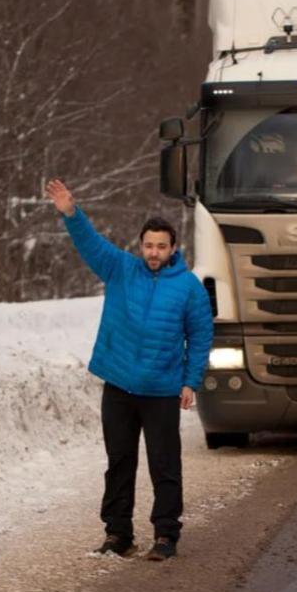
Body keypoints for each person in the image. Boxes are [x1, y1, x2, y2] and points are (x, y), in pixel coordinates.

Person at [45, 178, 213, 561]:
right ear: (141, 246)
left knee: (164, 465)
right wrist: (71, 212)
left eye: (161, 247)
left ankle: (166, 535)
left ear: (173, 249)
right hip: (120, 387)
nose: (154, 252)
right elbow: (91, 243)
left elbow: (200, 337)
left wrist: (190, 382)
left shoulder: (188, 288)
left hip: (161, 392)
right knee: (119, 461)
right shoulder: (121, 269)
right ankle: (118, 534)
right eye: (148, 245)